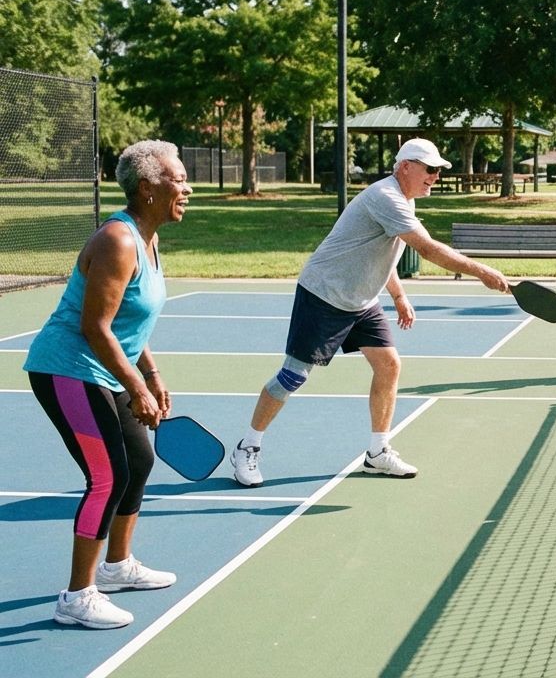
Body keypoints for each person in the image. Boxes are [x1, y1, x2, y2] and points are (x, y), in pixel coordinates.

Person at [230, 138, 509, 487]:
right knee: (293, 377)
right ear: (405, 166)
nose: (435, 177)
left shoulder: (402, 200)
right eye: (430, 169)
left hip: (362, 302)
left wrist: (398, 294)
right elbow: (426, 248)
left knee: (389, 364)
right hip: (324, 295)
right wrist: (480, 270)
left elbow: (379, 251)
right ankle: (247, 446)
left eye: (438, 171)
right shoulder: (386, 197)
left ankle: (377, 453)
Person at [24, 141, 191, 629]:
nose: (187, 189)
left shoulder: (149, 238)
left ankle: (118, 567)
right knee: (108, 477)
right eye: (177, 180)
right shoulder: (118, 241)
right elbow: (95, 327)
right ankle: (76, 596)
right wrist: (136, 387)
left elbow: (126, 326)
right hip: (68, 369)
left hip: (102, 367)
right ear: (147, 188)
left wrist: (152, 376)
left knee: (138, 461)